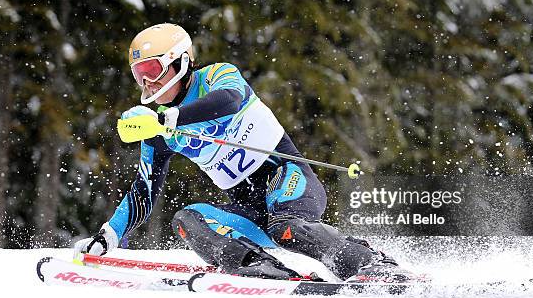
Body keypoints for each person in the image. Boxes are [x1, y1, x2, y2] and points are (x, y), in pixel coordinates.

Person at [73, 23, 406, 281]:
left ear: (182, 63)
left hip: (289, 180)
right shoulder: (157, 131)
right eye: (140, 76)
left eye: (154, 72)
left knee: (285, 229)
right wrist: (108, 237)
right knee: (187, 219)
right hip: (250, 210)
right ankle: (258, 267)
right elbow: (143, 192)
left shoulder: (218, 75)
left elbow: (229, 99)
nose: (148, 85)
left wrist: (168, 118)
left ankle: (371, 264)